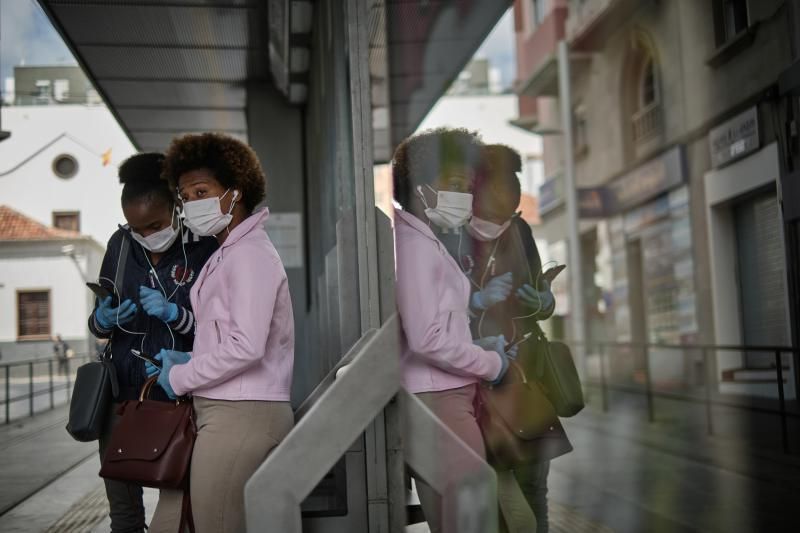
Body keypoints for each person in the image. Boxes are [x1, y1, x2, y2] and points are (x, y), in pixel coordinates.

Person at [146, 133, 295, 533]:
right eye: (186, 195)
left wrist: (179, 376)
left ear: (235, 192)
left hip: (243, 414)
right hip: (224, 409)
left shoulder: (249, 255)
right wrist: (190, 360)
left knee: (218, 525)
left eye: (202, 191)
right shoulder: (229, 251)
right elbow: (225, 337)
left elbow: (246, 346)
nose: (193, 203)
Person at [392, 128, 517, 533]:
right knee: (468, 521)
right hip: (439, 401)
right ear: (420, 185)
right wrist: (490, 362)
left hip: (442, 397)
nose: (464, 196)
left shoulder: (422, 239)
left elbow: (438, 325)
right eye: (454, 184)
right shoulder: (414, 247)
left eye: (468, 185)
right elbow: (427, 338)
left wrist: (475, 342)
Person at [87, 152, 217, 533]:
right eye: (136, 227)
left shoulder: (205, 246)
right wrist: (103, 318)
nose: (146, 236)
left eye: (155, 224)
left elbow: (220, 331)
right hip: (123, 397)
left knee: (179, 504)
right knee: (124, 514)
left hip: (182, 396)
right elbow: (99, 321)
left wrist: (173, 313)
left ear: (177, 206)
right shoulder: (120, 245)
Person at [460, 144, 571, 533]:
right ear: (480, 188)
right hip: (478, 382)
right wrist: (475, 303)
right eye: (505, 187)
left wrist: (544, 300)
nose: (512, 197)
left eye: (516, 187)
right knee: (490, 490)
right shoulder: (454, 235)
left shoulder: (521, 230)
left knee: (534, 487)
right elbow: (433, 313)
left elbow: (542, 299)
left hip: (527, 378)